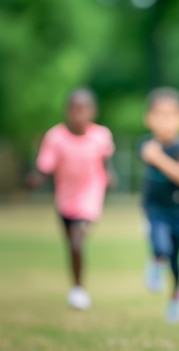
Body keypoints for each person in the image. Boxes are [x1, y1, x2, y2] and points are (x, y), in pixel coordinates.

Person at [26, 87, 116, 311]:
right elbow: (45, 168)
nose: (79, 115)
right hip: (65, 199)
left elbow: (106, 164)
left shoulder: (101, 136)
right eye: (74, 110)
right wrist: (35, 180)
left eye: (84, 110)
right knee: (72, 246)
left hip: (90, 195)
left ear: (93, 112)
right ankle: (76, 286)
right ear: (67, 111)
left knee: (77, 240)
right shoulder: (55, 137)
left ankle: (78, 290)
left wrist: (110, 177)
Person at [139, 87, 179, 323]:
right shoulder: (145, 144)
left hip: (177, 210)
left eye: (171, 114)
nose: (165, 120)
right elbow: (147, 154)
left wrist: (158, 159)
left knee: (175, 259)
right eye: (159, 114)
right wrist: (153, 155)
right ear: (149, 118)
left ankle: (177, 295)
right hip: (154, 209)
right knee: (160, 244)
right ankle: (156, 261)